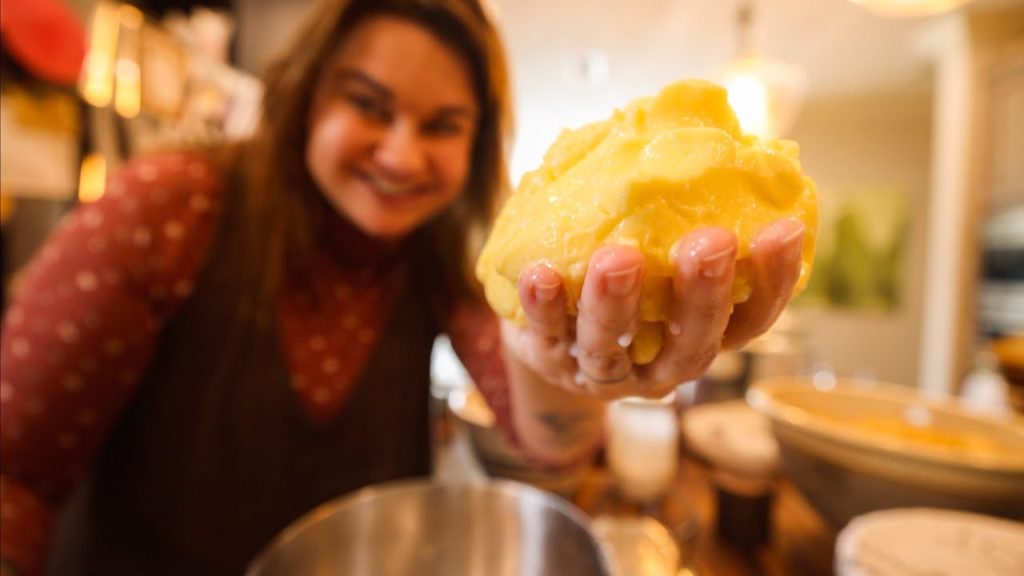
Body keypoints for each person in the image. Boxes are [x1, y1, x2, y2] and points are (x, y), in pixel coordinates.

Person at [0, 0, 807, 574]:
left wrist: (570, 365)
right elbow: (15, 471)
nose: (398, 154)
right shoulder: (169, 207)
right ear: (307, 96)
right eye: (367, 105)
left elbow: (550, 441)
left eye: (441, 125)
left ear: (477, 143)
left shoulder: (446, 253)